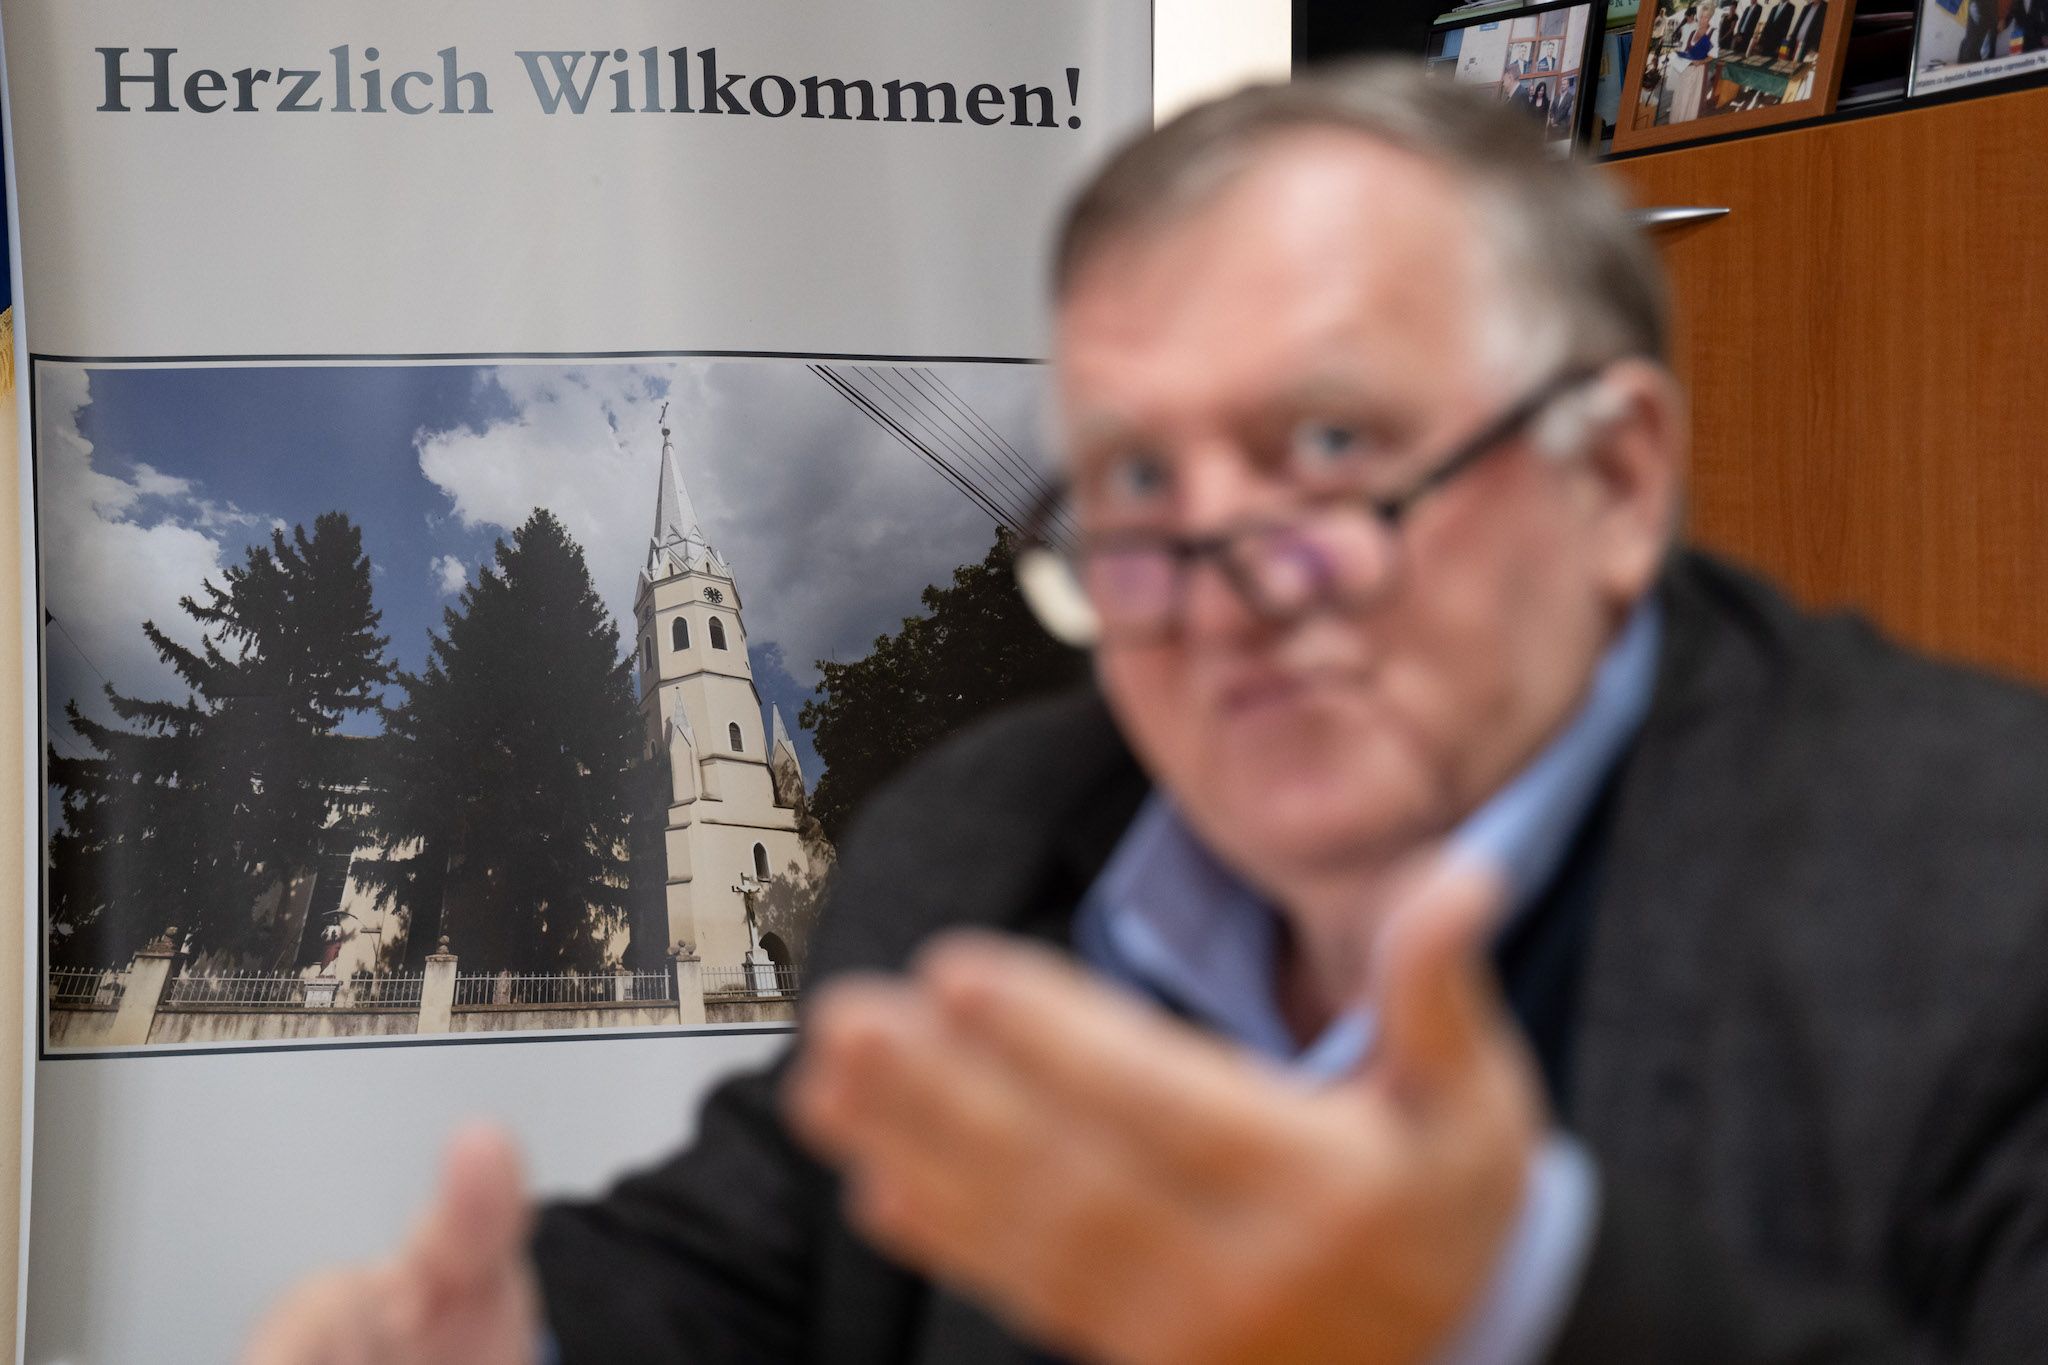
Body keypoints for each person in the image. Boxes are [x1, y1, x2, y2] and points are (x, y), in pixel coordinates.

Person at [244, 62, 2048, 1365]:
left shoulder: (1996, 887)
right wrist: (510, 1333)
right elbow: (764, 1257)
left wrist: (1515, 1308)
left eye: (1326, 444)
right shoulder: (981, 841)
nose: (1213, 580)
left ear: (1617, 478)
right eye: (1133, 484)